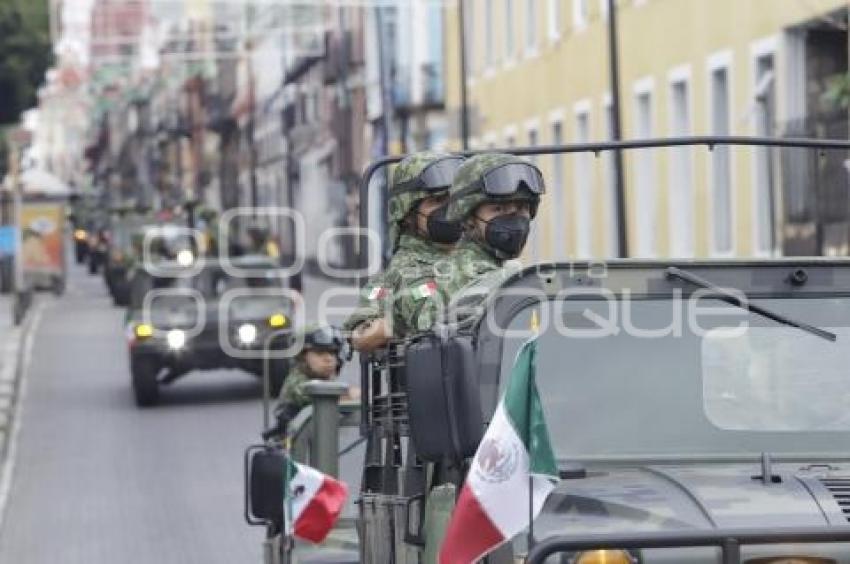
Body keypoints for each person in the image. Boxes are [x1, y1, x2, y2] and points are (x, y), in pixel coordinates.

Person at [402, 153, 546, 332]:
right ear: (469, 218)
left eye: (522, 208)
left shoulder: (503, 271)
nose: (514, 220)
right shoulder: (461, 277)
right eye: (498, 209)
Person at [344, 151, 465, 351]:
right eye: (437, 201)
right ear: (408, 213)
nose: (450, 209)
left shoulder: (483, 255)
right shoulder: (395, 277)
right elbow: (360, 336)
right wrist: (396, 321)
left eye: (454, 199)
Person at [274, 325, 351, 433]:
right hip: (296, 445)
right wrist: (349, 395)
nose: (328, 359)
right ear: (302, 357)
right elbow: (317, 395)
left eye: (332, 353)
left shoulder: (326, 382)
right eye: (320, 353)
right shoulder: (296, 381)